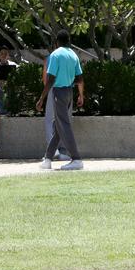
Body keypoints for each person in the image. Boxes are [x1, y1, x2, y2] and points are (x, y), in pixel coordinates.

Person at [35, 31, 84, 171]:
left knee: (64, 125)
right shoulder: (73, 55)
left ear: (57, 42)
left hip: (59, 92)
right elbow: (80, 78)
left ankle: (76, 158)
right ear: (68, 41)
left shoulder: (55, 55)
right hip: (69, 92)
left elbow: (50, 79)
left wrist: (41, 98)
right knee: (58, 127)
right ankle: (48, 159)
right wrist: (81, 95)